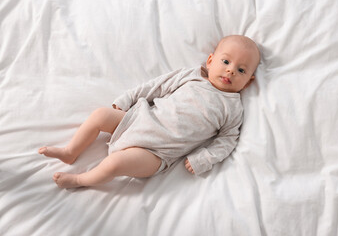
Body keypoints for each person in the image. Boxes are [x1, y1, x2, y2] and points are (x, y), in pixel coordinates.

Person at [38, 35, 261, 189]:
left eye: (241, 70)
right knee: (100, 115)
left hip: (156, 153)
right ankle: (70, 151)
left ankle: (80, 181)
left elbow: (227, 140)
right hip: (138, 120)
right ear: (210, 60)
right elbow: (155, 87)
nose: (231, 70)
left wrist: (204, 159)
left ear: (249, 81)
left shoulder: (232, 108)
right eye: (225, 61)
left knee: (114, 164)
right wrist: (125, 101)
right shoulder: (191, 76)